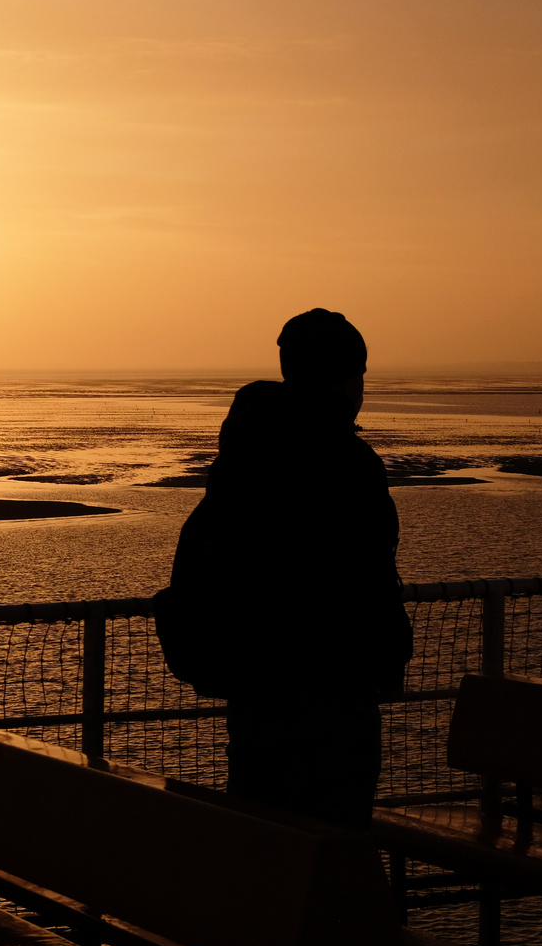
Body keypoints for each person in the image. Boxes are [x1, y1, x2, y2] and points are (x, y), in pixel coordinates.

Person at [163, 308, 412, 831]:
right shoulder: (346, 460)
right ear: (348, 377)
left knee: (263, 841)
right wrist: (389, 659)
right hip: (333, 687)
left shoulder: (246, 452)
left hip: (252, 683)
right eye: (360, 375)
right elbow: (366, 576)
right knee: (334, 849)